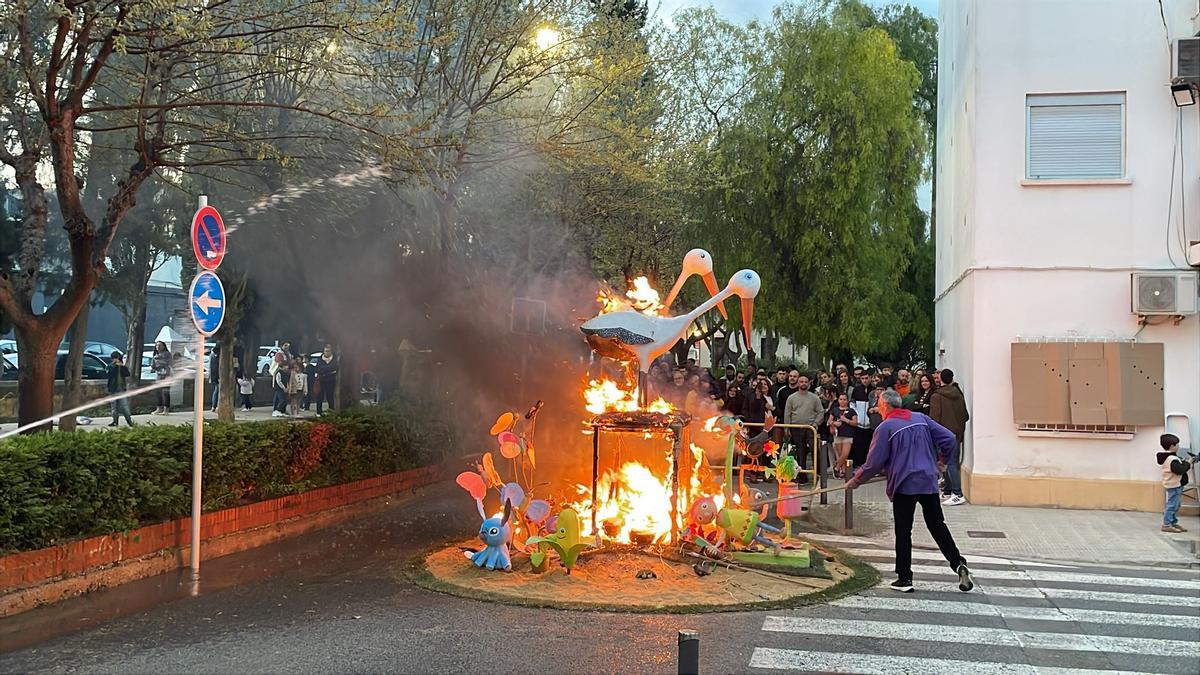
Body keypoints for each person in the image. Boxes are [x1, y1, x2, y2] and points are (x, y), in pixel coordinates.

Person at [846, 389, 974, 594]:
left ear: (886, 406)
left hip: (905, 484)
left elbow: (874, 462)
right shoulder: (921, 418)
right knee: (937, 526)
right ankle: (958, 563)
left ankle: (905, 578)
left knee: (904, 531)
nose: (878, 408)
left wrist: (857, 480)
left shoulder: (886, 427)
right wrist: (942, 461)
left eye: (879, 404)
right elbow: (949, 438)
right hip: (928, 480)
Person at [930, 369, 970, 506]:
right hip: (957, 433)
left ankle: (957, 493)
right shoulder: (958, 394)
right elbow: (966, 416)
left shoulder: (936, 396)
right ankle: (947, 491)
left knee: (949, 463)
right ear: (952, 379)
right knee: (951, 462)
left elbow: (934, 419)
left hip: (943, 435)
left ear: (940, 379)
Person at [784, 374, 824, 482]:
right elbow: (787, 413)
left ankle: (818, 474)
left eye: (806, 382)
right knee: (800, 452)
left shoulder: (814, 398)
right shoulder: (791, 398)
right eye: (801, 382)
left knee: (814, 450)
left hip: (810, 428)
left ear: (809, 383)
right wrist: (786, 428)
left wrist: (816, 423)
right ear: (798, 383)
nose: (803, 384)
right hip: (796, 428)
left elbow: (821, 412)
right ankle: (802, 476)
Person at [1158, 433, 1196, 533]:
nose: (1179, 446)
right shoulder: (1171, 459)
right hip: (1174, 485)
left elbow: (1178, 466)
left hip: (1176, 485)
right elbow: (1179, 470)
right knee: (1172, 505)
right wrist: (1188, 463)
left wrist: (1186, 462)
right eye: (1177, 444)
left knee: (1176, 505)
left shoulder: (1170, 457)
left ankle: (1173, 522)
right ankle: (1166, 524)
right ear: (1172, 446)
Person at [828, 392, 857, 477]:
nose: (842, 401)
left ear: (847, 401)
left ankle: (836, 468)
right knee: (840, 454)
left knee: (845, 454)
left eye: (844, 399)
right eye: (841, 399)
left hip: (848, 434)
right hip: (838, 434)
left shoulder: (851, 411)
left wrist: (846, 420)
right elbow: (829, 421)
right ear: (838, 400)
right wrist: (834, 423)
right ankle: (843, 471)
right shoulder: (835, 410)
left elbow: (855, 423)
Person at [106, 352, 135, 427]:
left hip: (121, 389)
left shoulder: (122, 366)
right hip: (113, 389)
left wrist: (122, 367)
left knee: (124, 406)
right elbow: (109, 373)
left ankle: (129, 421)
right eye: (115, 358)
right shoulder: (110, 366)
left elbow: (127, 374)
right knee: (114, 407)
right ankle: (115, 421)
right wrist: (115, 366)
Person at [315, 344, 338, 414]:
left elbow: (335, 367)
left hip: (331, 380)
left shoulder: (334, 359)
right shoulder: (320, 359)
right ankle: (319, 412)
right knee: (319, 397)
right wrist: (329, 369)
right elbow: (319, 369)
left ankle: (331, 411)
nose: (327, 353)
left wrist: (325, 369)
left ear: (331, 352)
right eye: (325, 351)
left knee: (330, 396)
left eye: (328, 351)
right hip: (321, 380)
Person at [151, 341, 172, 414]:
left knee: (165, 392)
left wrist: (159, 363)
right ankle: (159, 408)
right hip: (158, 375)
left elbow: (168, 363)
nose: (158, 347)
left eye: (160, 345)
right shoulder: (155, 355)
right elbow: (153, 365)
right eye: (157, 345)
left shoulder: (167, 354)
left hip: (166, 375)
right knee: (158, 392)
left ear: (164, 346)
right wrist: (154, 367)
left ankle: (166, 409)